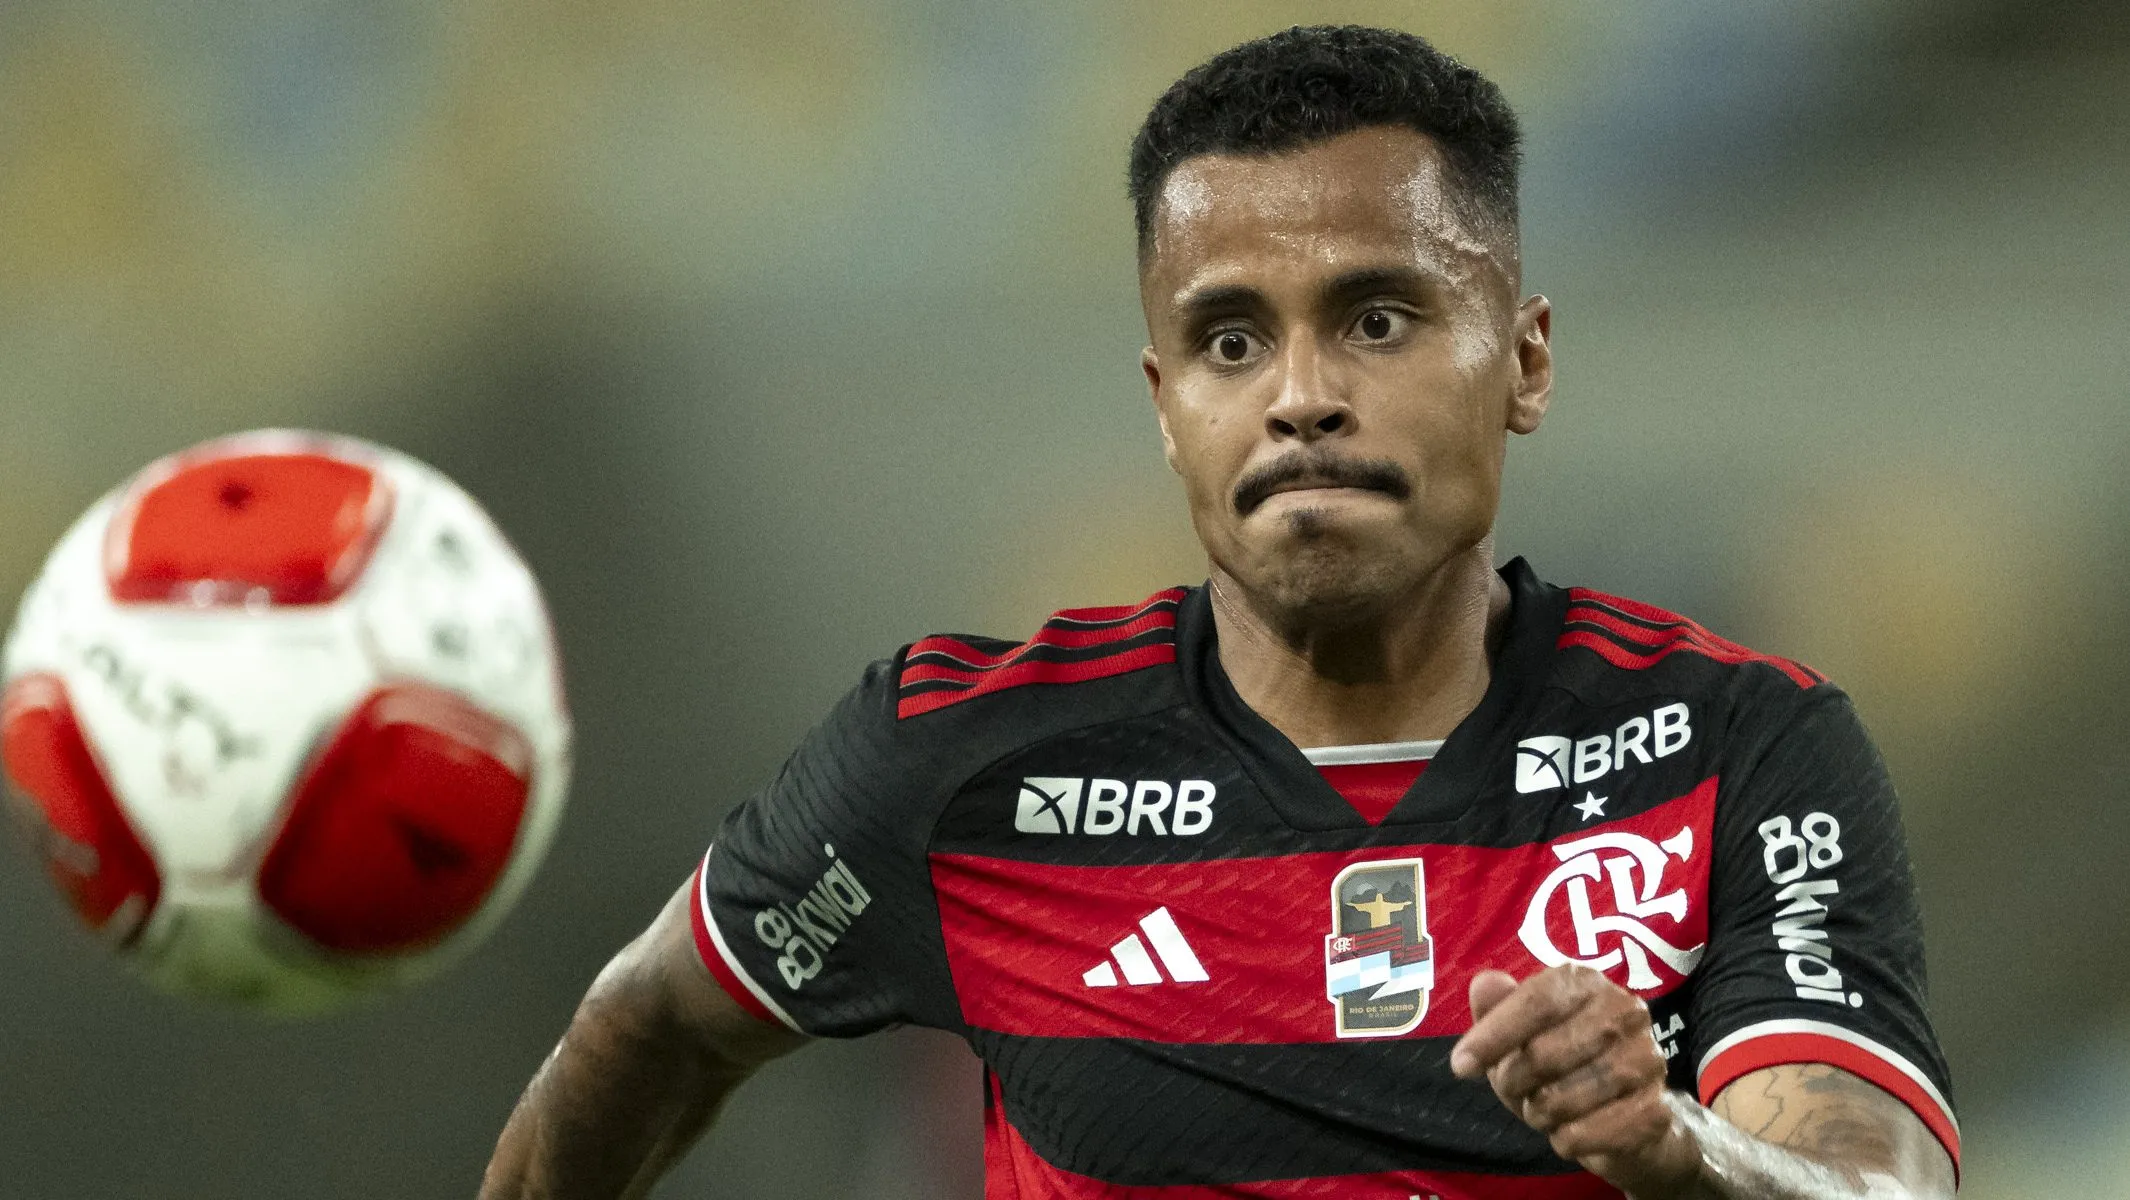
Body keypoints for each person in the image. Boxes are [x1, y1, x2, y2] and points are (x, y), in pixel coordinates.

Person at [481, 25, 1958, 1199]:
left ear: (1522, 362)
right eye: (1228, 339)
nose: (1301, 397)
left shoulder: (1735, 750)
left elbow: (1866, 1182)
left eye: (1377, 319)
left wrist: (1667, 1147)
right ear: (1165, 408)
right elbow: (652, 1024)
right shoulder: (956, 762)